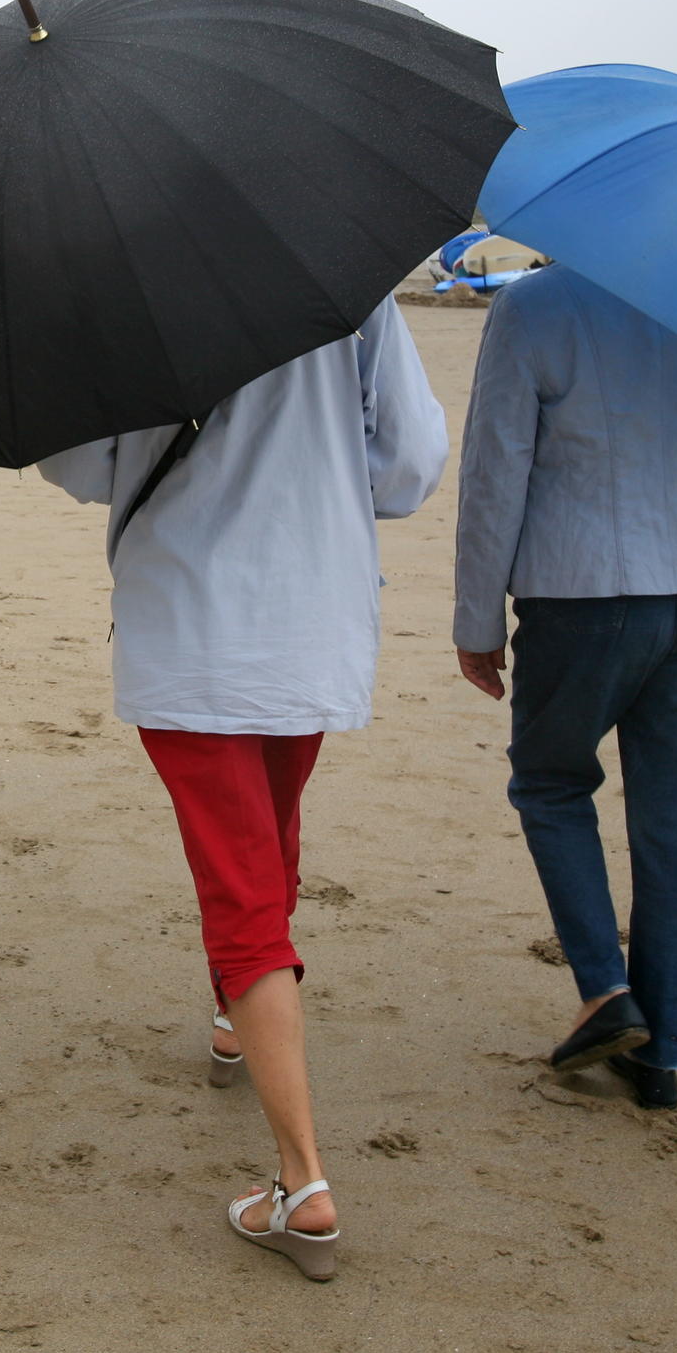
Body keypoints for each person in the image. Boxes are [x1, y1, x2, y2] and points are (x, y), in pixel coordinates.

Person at [37, 296, 447, 1280]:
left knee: (241, 886)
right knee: (267, 839)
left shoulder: (122, 287)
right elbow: (411, 463)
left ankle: (302, 1180)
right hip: (310, 613)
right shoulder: (352, 288)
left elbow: (79, 463)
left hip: (192, 621)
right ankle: (233, 1015)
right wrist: (316, 468)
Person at [452, 266, 677, 1113]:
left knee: (550, 780)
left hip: (584, 588)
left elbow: (499, 466)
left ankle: (607, 990)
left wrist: (476, 617)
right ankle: (663, 1051)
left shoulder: (534, 305)